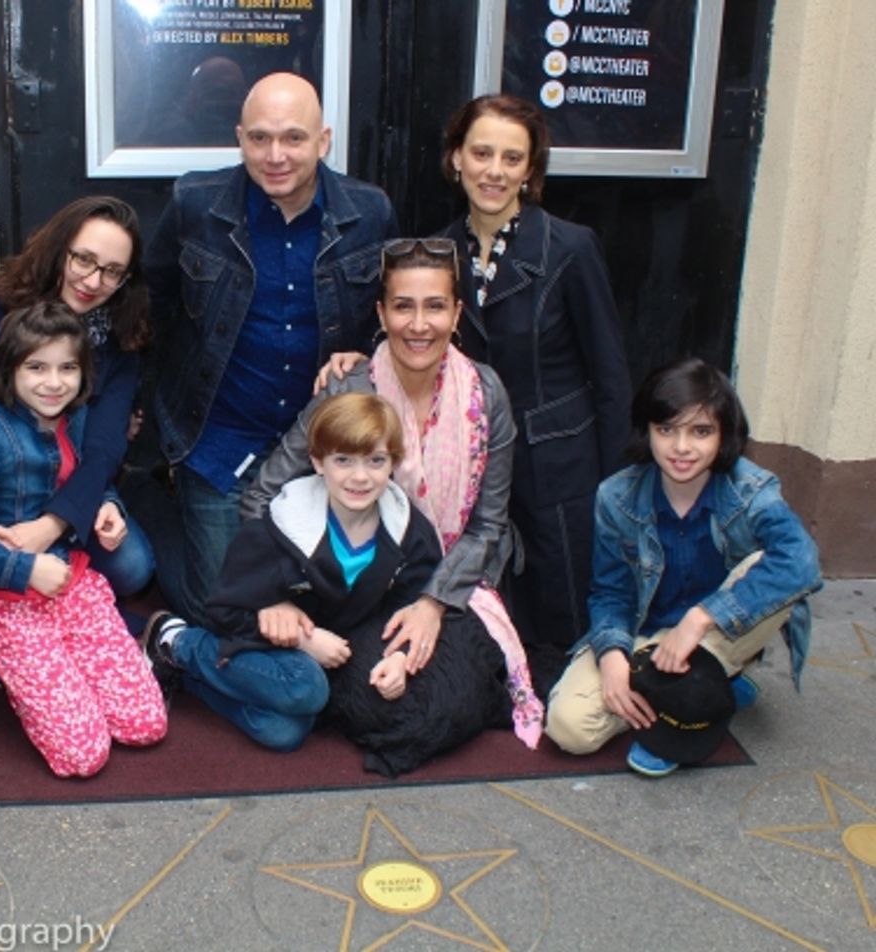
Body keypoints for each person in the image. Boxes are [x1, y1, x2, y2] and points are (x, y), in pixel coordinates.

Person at [247, 237, 555, 718]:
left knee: (446, 696)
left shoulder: (485, 393)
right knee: (381, 703)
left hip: (458, 579)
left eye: (434, 307)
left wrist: (433, 603)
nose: (417, 325)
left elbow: (488, 525)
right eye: (402, 307)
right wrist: (281, 593)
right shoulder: (349, 387)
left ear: (456, 315)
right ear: (381, 312)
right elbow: (263, 494)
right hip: (358, 586)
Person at [147, 393, 521, 776]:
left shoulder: (408, 528)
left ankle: (192, 678)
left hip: (334, 653)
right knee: (306, 687)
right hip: (275, 648)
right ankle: (179, 643)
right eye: (343, 460)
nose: (359, 477)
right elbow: (223, 608)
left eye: (375, 461)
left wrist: (398, 658)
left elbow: (409, 602)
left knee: (285, 732)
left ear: (393, 463)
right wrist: (289, 630)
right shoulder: (278, 528)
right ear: (317, 462)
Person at [140, 71, 396, 629]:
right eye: (259, 138)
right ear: (239, 138)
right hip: (217, 442)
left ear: (323, 141)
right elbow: (151, 302)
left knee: (319, 614)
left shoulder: (369, 213)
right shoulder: (195, 203)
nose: (275, 155)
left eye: (293, 138)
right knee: (227, 614)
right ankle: (159, 511)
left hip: (315, 451)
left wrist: (363, 352)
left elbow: (390, 316)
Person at [0, 302, 167, 778]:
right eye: (36, 367)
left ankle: (68, 666)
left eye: (67, 368)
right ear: (9, 370)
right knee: (83, 756)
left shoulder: (72, 418)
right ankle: (11, 664)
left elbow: (83, 480)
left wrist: (107, 505)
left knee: (145, 725)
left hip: (72, 584)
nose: (53, 383)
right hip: (5, 598)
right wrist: (24, 569)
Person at [545, 358, 821, 777]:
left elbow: (802, 561)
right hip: (650, 637)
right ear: (648, 431)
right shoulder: (617, 496)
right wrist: (612, 657)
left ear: (724, 433)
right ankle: (703, 681)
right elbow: (610, 591)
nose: (681, 447)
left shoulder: (749, 489)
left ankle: (694, 694)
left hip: (719, 631)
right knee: (569, 728)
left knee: (773, 563)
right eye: (666, 429)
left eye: (701, 431)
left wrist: (703, 617)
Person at [439, 93, 632, 651]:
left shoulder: (570, 248)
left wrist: (618, 485)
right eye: (481, 153)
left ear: (530, 170)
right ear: (456, 158)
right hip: (476, 461)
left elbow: (611, 376)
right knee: (488, 604)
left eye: (512, 158)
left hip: (559, 468)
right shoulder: (440, 250)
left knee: (564, 616)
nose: (494, 171)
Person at [0, 196, 154, 598]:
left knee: (133, 567)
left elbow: (102, 448)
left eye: (113, 272)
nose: (94, 282)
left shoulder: (118, 337)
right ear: (58, 249)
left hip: (58, 487)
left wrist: (55, 523)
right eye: (83, 260)